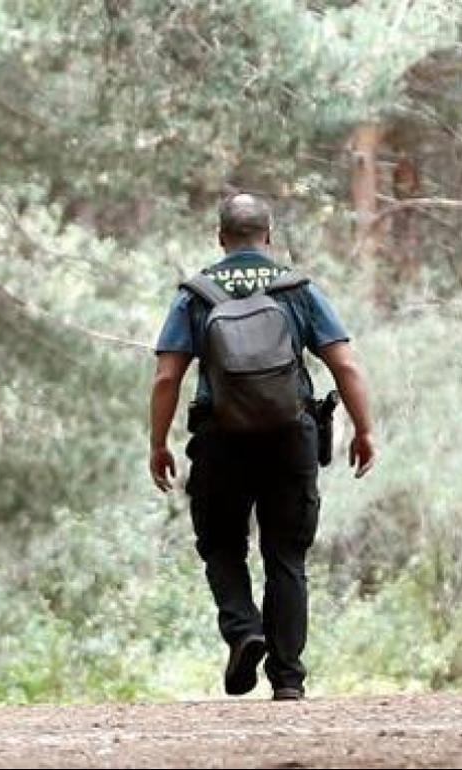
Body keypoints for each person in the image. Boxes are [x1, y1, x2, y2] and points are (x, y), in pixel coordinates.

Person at [149, 193, 375, 701]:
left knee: (221, 545)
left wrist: (158, 443)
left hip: (220, 438)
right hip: (290, 435)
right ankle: (288, 679)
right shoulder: (295, 287)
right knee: (286, 556)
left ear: (220, 237)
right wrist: (364, 429)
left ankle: (243, 629)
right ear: (268, 236)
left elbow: (167, 377)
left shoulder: (196, 293)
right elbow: (345, 365)